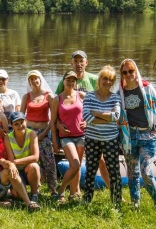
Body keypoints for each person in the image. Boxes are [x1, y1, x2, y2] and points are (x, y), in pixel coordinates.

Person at [55, 50, 110, 190]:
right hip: (72, 133)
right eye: (76, 61)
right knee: (76, 162)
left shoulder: (94, 79)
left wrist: (91, 121)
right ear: (71, 63)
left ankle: (114, 192)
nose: (79, 64)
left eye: (81, 61)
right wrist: (58, 124)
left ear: (86, 63)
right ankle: (75, 191)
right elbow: (56, 108)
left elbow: (101, 103)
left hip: (93, 129)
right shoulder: (66, 81)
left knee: (101, 161)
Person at [118, 58, 156, 210]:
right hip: (130, 137)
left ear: (136, 71)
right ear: (121, 74)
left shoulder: (148, 88)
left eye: (131, 71)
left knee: (146, 171)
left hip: (148, 136)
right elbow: (118, 115)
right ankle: (136, 203)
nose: (128, 74)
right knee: (132, 173)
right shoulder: (120, 92)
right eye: (125, 72)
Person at [82, 65, 122, 209]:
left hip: (110, 139)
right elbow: (86, 116)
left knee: (114, 172)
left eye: (111, 79)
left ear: (113, 82)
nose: (107, 82)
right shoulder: (90, 96)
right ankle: (87, 200)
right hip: (92, 139)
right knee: (90, 170)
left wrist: (96, 112)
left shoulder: (116, 97)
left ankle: (116, 202)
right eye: (105, 78)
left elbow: (116, 116)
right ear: (99, 80)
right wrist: (106, 117)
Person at [20, 70, 57, 198]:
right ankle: (34, 188)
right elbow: (21, 117)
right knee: (31, 160)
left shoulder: (49, 96)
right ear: (29, 82)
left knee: (49, 161)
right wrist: (26, 133)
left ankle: (53, 189)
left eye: (36, 79)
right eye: (31, 79)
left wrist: (45, 133)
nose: (34, 81)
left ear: (40, 80)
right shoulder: (26, 96)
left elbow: (53, 118)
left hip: (44, 132)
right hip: (29, 132)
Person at [51, 71, 86, 203]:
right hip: (66, 137)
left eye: (73, 80)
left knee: (76, 166)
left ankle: (73, 194)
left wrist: (87, 121)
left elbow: (91, 110)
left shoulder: (81, 95)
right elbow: (53, 122)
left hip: (81, 135)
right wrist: (55, 141)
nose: (71, 83)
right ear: (63, 81)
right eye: (68, 80)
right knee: (75, 163)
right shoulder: (57, 99)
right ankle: (61, 191)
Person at [4, 111, 40, 203]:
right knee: (16, 194)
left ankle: (34, 194)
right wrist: (15, 163)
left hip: (30, 168)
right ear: (12, 125)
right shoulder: (8, 137)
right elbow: (11, 160)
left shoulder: (32, 134)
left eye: (22, 122)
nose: (20, 126)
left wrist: (16, 161)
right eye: (16, 124)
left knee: (34, 166)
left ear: (26, 122)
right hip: (17, 170)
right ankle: (23, 192)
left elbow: (35, 157)